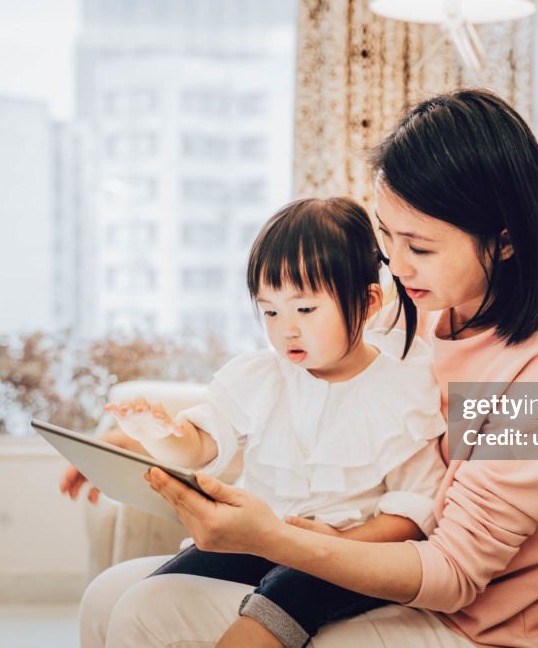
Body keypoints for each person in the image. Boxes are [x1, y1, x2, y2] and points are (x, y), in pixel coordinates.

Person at [76, 88, 538, 648]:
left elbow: (454, 575)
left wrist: (276, 540)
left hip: (467, 622)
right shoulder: (424, 304)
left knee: (148, 610)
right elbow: (302, 385)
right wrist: (146, 440)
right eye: (387, 236)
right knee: (107, 595)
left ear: (505, 242)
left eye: (419, 247)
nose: (395, 265)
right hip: (367, 566)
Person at [71, 196, 446, 647]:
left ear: (367, 304)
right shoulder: (261, 377)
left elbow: (412, 511)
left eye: (305, 310)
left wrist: (340, 544)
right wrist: (156, 433)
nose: (286, 328)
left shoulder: (403, 387)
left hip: (348, 555)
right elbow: (201, 445)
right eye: (270, 311)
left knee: (297, 585)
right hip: (258, 542)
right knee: (150, 590)